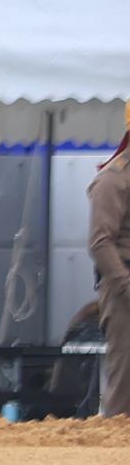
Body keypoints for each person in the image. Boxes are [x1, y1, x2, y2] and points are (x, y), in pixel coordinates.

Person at [89, 117, 130, 420]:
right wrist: (126, 286)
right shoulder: (114, 179)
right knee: (125, 386)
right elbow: (100, 242)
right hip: (123, 290)